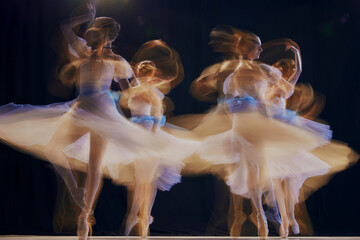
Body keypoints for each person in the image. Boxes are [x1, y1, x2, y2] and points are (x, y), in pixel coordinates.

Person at [0, 3, 164, 240]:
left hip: (102, 110)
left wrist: (146, 91)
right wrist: (85, 16)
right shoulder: (84, 52)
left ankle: (84, 215)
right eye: (93, 29)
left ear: (106, 35)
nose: (92, 32)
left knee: (94, 165)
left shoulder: (117, 61)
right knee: (54, 147)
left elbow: (128, 94)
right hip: (81, 108)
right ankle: (77, 193)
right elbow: (64, 29)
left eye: (97, 29)